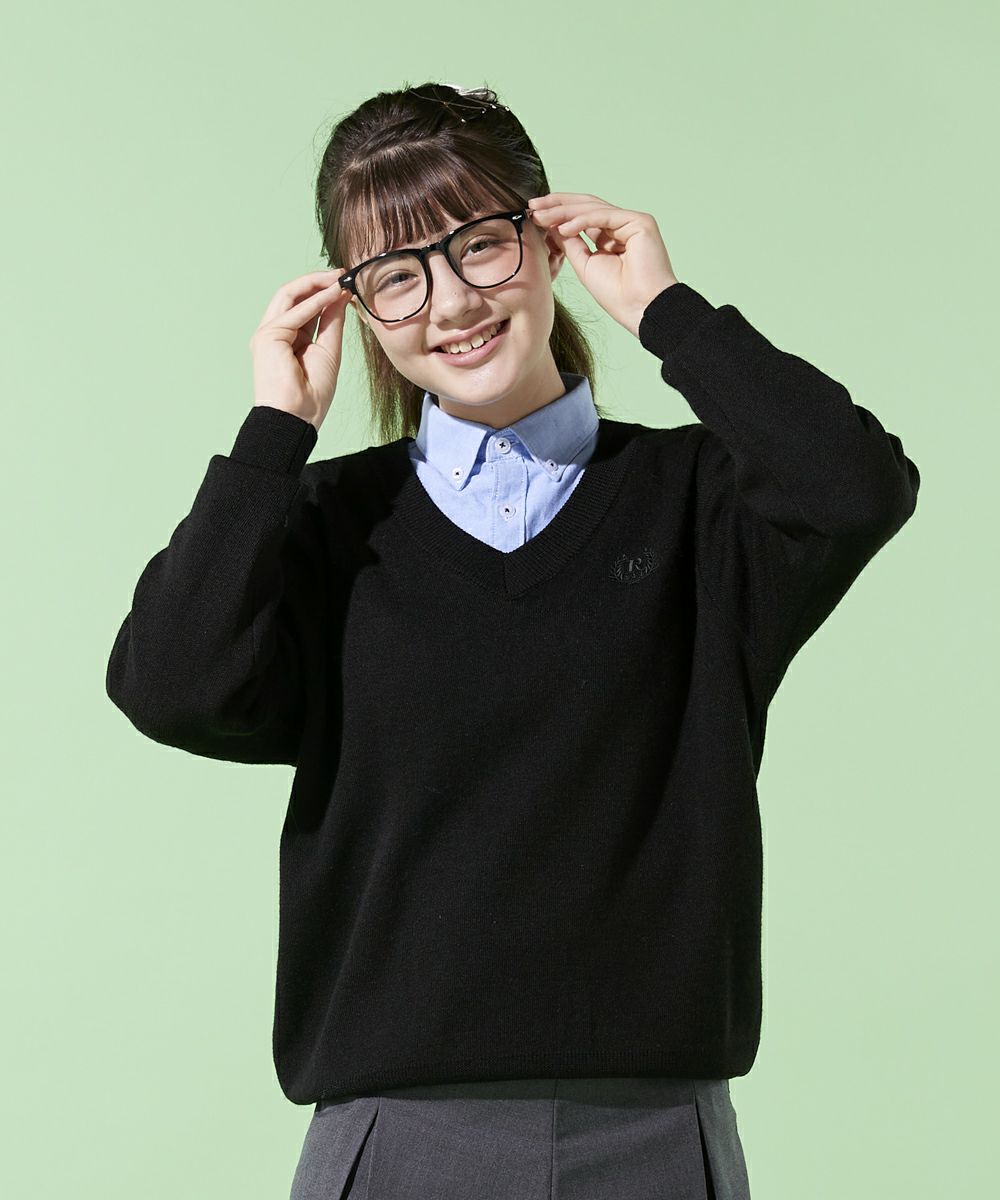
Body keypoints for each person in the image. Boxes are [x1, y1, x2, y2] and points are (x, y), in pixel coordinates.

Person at [105, 82, 920, 1200]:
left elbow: (858, 488)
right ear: (354, 303)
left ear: (546, 239)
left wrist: (668, 312)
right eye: (397, 274)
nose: (449, 302)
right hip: (393, 1139)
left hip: (654, 1135)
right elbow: (169, 685)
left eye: (479, 244)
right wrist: (273, 436)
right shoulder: (323, 528)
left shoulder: (700, 505)